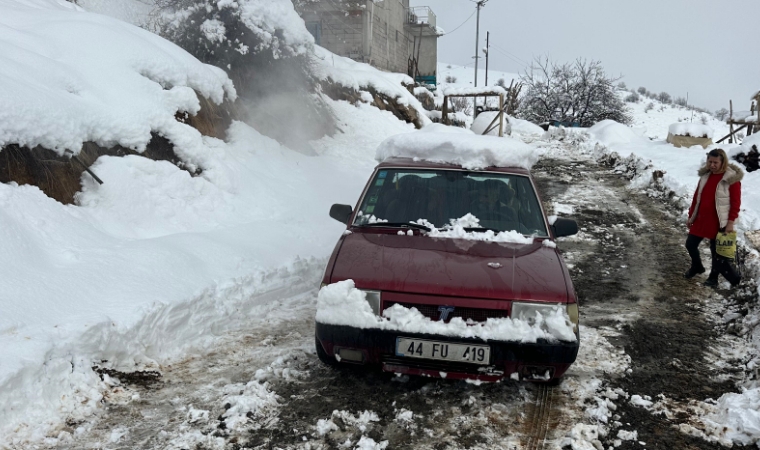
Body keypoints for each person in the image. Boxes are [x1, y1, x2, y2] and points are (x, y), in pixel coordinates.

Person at [684, 148, 744, 287]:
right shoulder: (705, 176)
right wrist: (691, 217)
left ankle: (713, 278)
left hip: (718, 221)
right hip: (702, 219)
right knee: (690, 244)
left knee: (716, 252)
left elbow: (735, 203)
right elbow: (696, 198)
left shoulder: (731, 178)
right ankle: (697, 266)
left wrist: (730, 223)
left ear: (723, 162)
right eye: (710, 161)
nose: (712, 165)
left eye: (715, 162)